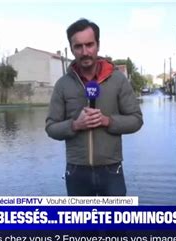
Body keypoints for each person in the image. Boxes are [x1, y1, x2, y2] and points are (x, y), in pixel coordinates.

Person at [45, 18, 143, 196]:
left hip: (112, 170)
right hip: (76, 171)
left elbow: (136, 120)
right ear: (71, 48)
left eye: (89, 45)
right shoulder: (62, 85)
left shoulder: (118, 80)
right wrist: (75, 125)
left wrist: (107, 121)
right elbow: (51, 128)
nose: (85, 52)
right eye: (78, 46)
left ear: (98, 44)